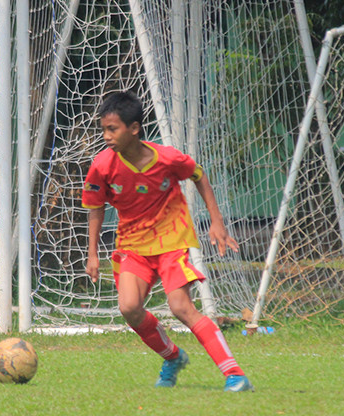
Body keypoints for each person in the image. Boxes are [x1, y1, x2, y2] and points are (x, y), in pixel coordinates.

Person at [82, 91, 253, 392]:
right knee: (129, 307)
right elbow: (95, 207)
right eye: (104, 129)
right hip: (133, 245)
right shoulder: (102, 165)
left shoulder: (168, 158)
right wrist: (92, 253)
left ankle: (235, 375)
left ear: (134, 129)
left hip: (171, 241)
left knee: (180, 307)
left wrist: (216, 221)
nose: (106, 136)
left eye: (112, 129)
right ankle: (173, 357)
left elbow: (199, 175)